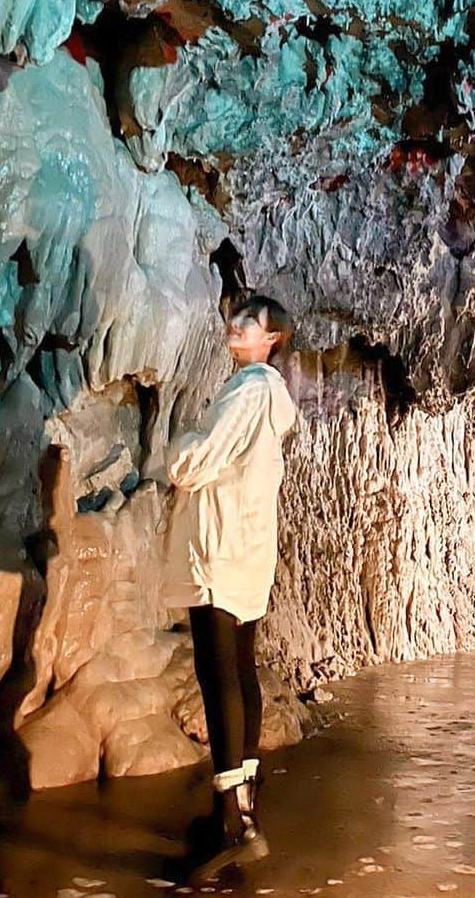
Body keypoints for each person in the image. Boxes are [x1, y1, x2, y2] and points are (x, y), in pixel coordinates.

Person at [163, 295, 297, 883]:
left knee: (219, 677)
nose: (235, 326)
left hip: (218, 548)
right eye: (236, 317)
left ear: (273, 341)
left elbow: (195, 463)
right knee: (240, 672)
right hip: (246, 549)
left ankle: (229, 825)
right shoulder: (271, 397)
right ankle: (244, 808)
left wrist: (178, 447)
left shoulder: (250, 389)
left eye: (250, 323)